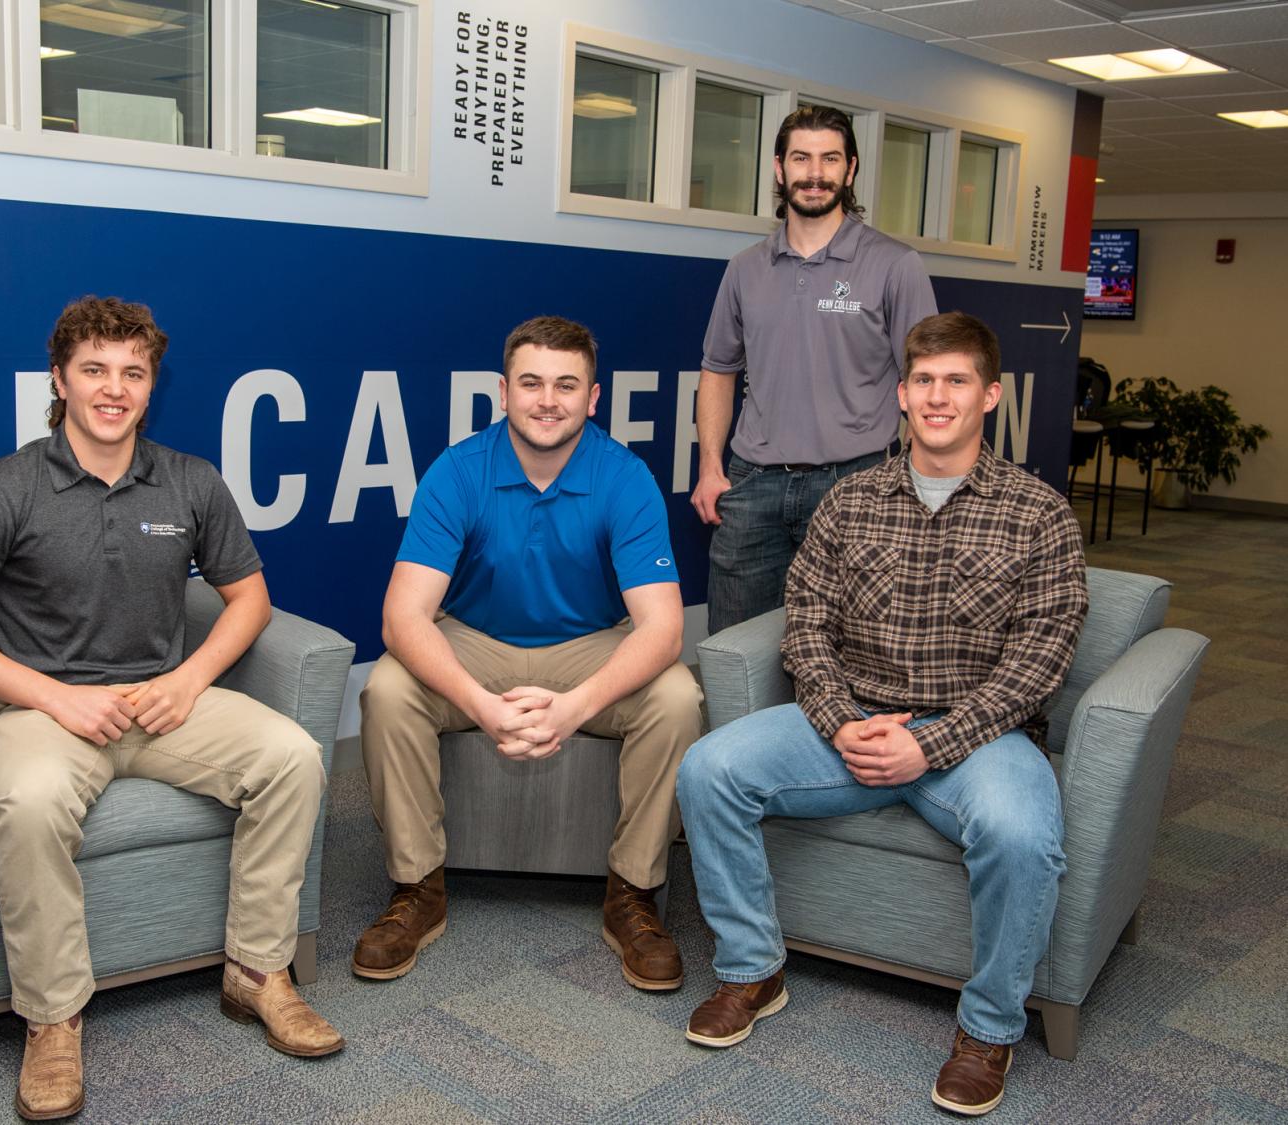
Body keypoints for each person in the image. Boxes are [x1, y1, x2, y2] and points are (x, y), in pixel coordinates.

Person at [0, 296, 341, 1121]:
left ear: (151, 385)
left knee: (293, 756)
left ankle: (256, 972)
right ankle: (53, 1019)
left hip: (162, 701)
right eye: (95, 370)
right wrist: (51, 697)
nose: (115, 388)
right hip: (46, 708)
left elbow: (249, 599)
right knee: (27, 804)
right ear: (60, 380)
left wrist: (190, 678)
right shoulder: (6, 486)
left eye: (132, 373)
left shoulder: (189, 480)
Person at [677, 312, 1088, 1117]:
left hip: (980, 738)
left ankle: (990, 1026)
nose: (939, 397)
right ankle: (752, 967)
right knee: (707, 769)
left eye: (957, 381)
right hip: (850, 722)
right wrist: (836, 720)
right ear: (901, 394)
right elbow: (808, 623)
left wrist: (930, 745)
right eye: (925, 381)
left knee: (1022, 834)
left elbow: (1039, 661)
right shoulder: (850, 501)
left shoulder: (1039, 513)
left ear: (990, 395)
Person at [354, 315, 703, 992]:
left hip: (587, 645)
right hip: (479, 639)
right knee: (389, 688)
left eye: (567, 385)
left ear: (593, 397)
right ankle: (416, 887)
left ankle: (632, 893)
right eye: (532, 382)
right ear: (503, 392)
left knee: (678, 697)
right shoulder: (459, 470)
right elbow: (402, 616)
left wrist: (573, 708)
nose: (548, 399)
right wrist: (482, 705)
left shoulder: (624, 477)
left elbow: (660, 628)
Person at [692, 104, 938, 634]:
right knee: (734, 651)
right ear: (779, 169)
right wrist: (711, 467)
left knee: (854, 649)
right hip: (752, 486)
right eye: (801, 158)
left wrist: (922, 481)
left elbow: (926, 382)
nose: (815, 173)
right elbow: (717, 370)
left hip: (856, 483)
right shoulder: (744, 269)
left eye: (830, 159)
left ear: (850, 171)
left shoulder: (895, 265)